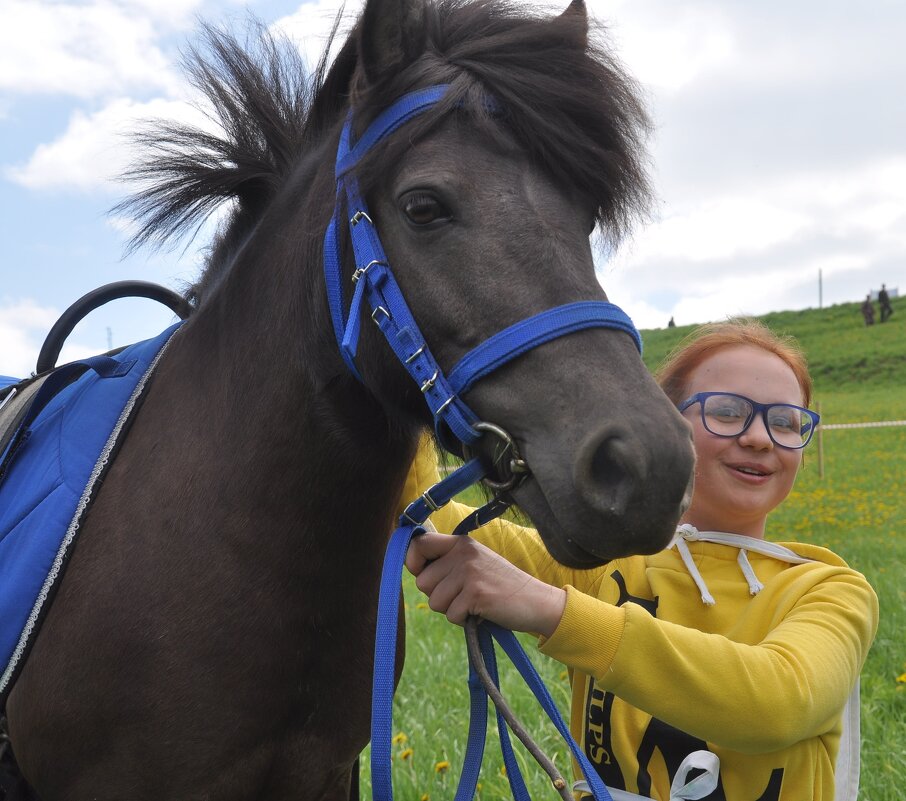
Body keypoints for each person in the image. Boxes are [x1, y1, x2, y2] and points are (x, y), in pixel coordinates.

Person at [401, 319, 878, 801]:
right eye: (728, 412)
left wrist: (550, 609)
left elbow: (780, 702)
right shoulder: (603, 563)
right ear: (665, 423)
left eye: (785, 421)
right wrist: (405, 377)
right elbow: (422, 510)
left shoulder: (833, 591)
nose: (760, 437)